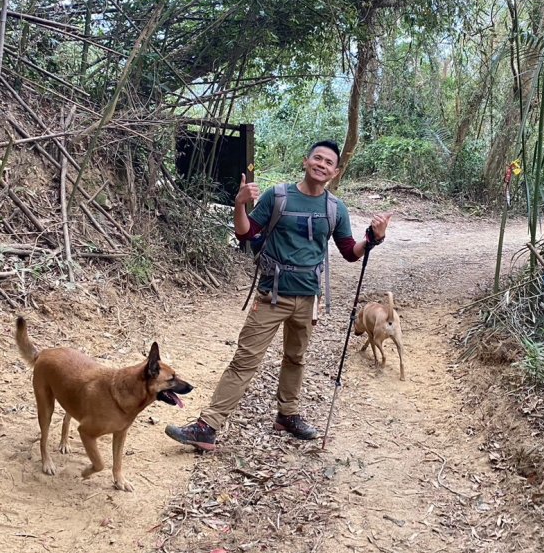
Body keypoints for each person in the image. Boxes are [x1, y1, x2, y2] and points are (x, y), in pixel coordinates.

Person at [166, 140, 390, 451]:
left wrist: (373, 238)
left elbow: (350, 252)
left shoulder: (335, 208)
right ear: (305, 161)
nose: (322, 165)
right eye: (317, 158)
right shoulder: (279, 196)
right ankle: (208, 426)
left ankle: (288, 415)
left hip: (308, 296)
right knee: (245, 360)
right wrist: (240, 204)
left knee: (295, 358)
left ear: (336, 172)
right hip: (272, 294)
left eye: (329, 163)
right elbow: (245, 233)